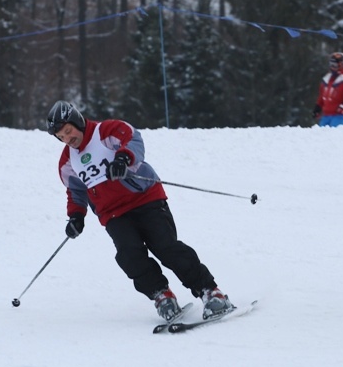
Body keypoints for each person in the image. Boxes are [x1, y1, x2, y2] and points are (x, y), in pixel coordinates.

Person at [46, 100, 233, 323]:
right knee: (129, 255)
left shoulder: (105, 131)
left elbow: (132, 139)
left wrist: (123, 159)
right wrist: (76, 216)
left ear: (77, 121)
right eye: (61, 137)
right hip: (113, 214)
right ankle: (162, 296)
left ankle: (211, 292)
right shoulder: (67, 162)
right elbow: (75, 191)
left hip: (145, 199)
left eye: (69, 131)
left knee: (165, 247)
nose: (68, 139)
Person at [313, 52, 343, 127]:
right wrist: (318, 107)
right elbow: (322, 95)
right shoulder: (327, 79)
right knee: (320, 134)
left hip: (340, 114)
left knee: (333, 134)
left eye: (335, 65)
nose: (333, 67)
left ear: (341, 65)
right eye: (331, 64)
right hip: (326, 114)